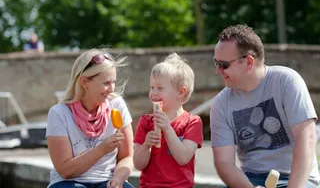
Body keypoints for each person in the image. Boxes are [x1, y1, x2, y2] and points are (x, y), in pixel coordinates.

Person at [210, 24, 319, 188]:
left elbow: (307, 139)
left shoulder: (287, 81)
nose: (218, 71)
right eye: (216, 63)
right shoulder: (220, 103)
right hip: (250, 181)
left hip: (297, 179)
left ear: (248, 62)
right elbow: (224, 163)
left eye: (223, 65)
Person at [45, 49, 134, 188]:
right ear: (84, 82)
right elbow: (65, 171)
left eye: (113, 82)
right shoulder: (58, 113)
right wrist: (102, 149)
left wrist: (118, 179)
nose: (112, 89)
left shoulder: (116, 104)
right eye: (106, 83)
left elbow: (127, 157)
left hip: (107, 180)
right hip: (68, 182)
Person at [133, 53, 203, 188]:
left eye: (160, 88)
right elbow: (138, 165)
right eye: (151, 87)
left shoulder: (192, 122)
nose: (153, 92)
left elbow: (183, 158)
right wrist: (146, 145)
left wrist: (167, 128)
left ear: (180, 92)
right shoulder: (146, 122)